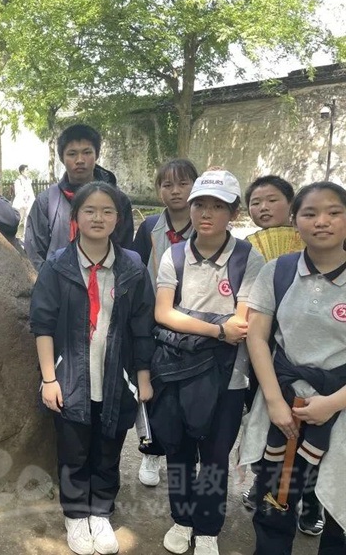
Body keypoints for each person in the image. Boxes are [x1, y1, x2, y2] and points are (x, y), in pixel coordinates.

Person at [30, 182, 155, 555]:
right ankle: (74, 516)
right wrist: (49, 378)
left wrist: (143, 378)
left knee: (108, 449)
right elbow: (42, 325)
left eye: (107, 211)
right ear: (76, 217)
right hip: (69, 378)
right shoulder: (58, 265)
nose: (98, 217)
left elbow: (143, 326)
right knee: (73, 452)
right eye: (90, 210)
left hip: (117, 378)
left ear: (118, 218)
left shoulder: (132, 266)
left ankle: (99, 512)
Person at [153, 169, 265, 555]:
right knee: (179, 451)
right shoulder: (175, 255)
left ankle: (208, 529)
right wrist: (217, 330)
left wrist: (199, 322)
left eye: (218, 206)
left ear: (233, 213)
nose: (206, 213)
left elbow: (243, 322)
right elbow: (163, 313)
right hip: (177, 373)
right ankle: (182, 520)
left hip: (227, 379)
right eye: (201, 204)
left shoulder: (249, 259)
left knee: (215, 456)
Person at [239, 182, 346, 555]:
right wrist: (273, 402)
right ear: (295, 221)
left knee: (340, 501)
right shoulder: (278, 271)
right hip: (284, 401)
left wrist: (332, 404)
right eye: (310, 213)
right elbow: (257, 336)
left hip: (341, 406)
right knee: (275, 497)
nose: (322, 222)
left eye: (334, 212)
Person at [131, 158, 198, 488]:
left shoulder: (206, 226)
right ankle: (151, 450)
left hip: (193, 322)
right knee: (153, 389)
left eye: (183, 183)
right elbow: (135, 269)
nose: (175, 191)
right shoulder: (149, 228)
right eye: (167, 184)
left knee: (187, 392)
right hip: (153, 322)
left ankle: (187, 455)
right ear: (158, 189)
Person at [25, 124, 134, 272]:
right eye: (72, 154)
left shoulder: (117, 200)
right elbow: (34, 252)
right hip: (58, 285)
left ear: (97, 154)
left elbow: (124, 249)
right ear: (62, 158)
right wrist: (48, 283)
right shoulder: (47, 201)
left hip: (107, 285)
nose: (80, 160)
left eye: (87, 152)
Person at [12, 164, 35, 233]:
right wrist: (23, 203)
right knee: (21, 219)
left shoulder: (29, 181)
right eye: (26, 170)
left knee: (29, 219)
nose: (28, 171)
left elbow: (31, 193)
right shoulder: (18, 181)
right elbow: (18, 193)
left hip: (29, 202)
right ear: (22, 172)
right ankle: (20, 236)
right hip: (21, 203)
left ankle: (27, 236)